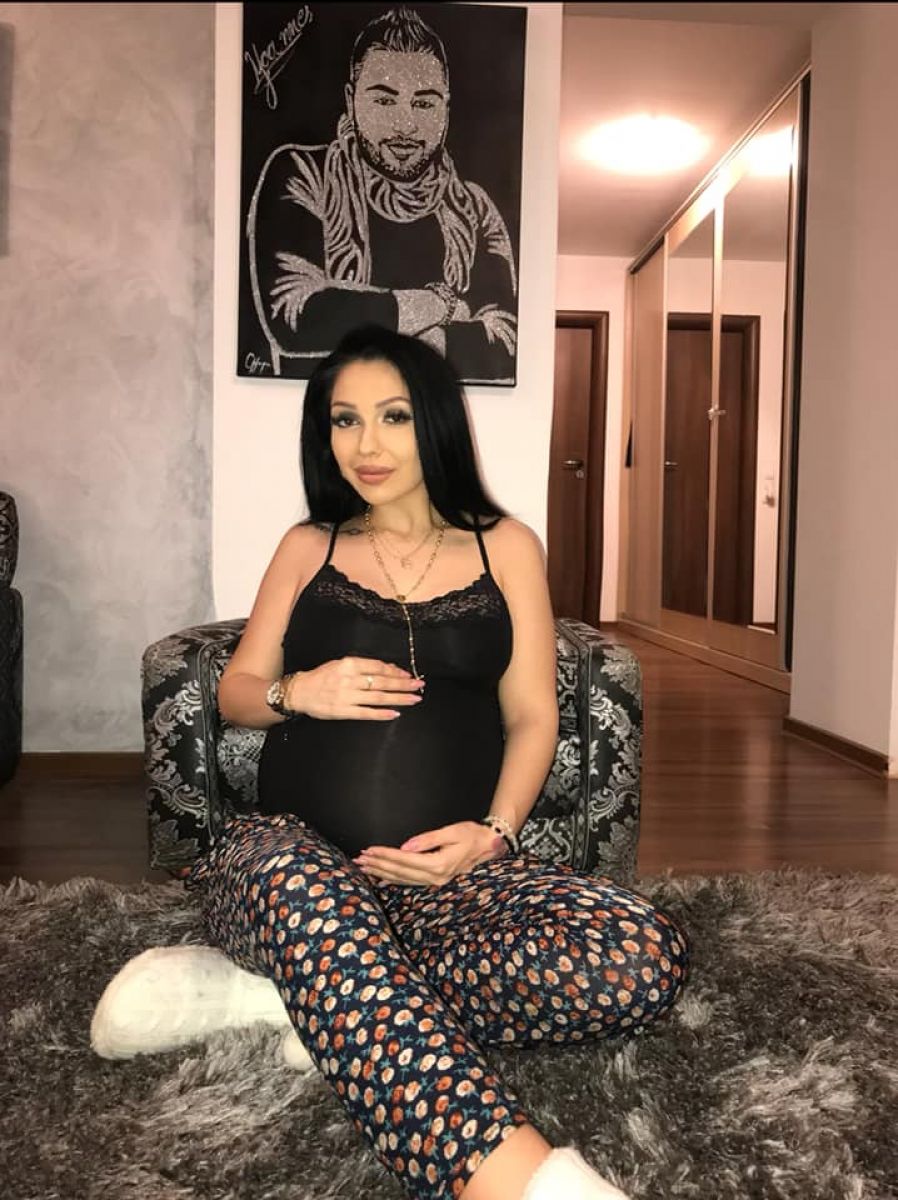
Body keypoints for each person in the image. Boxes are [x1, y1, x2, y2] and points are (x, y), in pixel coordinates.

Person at [177, 324, 689, 1200]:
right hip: (286, 861)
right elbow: (236, 693)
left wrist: (493, 836)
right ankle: (525, 1183)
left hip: (443, 887)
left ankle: (307, 994)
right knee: (306, 891)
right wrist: (300, 690)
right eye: (344, 420)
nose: (366, 445)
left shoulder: (506, 546)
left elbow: (532, 716)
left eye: (393, 416)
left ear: (437, 421)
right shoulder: (308, 545)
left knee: (642, 956)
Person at [247, 6, 518, 383]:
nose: (405, 125)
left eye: (424, 103)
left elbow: (507, 339)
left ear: (446, 109)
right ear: (350, 100)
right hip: (326, 414)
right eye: (384, 101)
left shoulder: (474, 207)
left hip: (432, 417)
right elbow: (295, 314)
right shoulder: (303, 174)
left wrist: (425, 338)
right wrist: (436, 305)